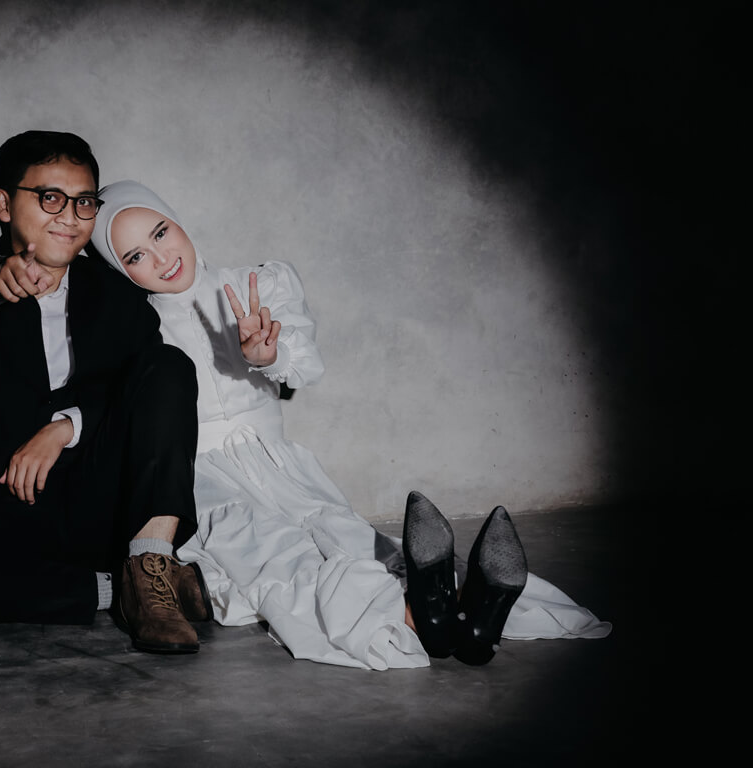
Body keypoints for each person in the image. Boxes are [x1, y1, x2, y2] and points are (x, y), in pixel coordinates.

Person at [85, 180, 612, 669]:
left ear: (177, 221)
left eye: (161, 232)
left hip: (277, 466)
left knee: (348, 540)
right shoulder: (135, 325)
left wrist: (268, 356)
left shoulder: (253, 284)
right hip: (203, 477)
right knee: (279, 556)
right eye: (136, 256)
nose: (161, 258)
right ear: (121, 270)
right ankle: (460, 620)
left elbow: (305, 367)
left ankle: (450, 606)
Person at [0, 133, 213, 654]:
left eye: (84, 202)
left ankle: (150, 560)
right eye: (50, 198)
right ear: (3, 204)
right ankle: (118, 591)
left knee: (169, 364)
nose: (70, 217)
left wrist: (65, 427)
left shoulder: (117, 292)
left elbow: (143, 393)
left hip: (96, 496)